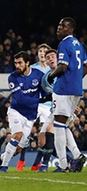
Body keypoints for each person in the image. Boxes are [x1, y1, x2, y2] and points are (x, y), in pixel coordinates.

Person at [47, 17, 87, 172]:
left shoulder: (64, 44)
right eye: (58, 25)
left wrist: (51, 76)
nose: (59, 28)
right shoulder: (79, 45)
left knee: (58, 125)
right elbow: (86, 66)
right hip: (76, 89)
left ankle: (63, 164)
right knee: (62, 124)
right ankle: (77, 156)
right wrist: (76, 79)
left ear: (71, 29)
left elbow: (62, 67)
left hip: (63, 89)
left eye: (63, 26)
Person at [0, 51, 45, 172]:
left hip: (31, 116)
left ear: (27, 63)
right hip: (16, 111)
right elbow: (20, 99)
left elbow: (45, 92)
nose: (17, 66)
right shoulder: (13, 77)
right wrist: (40, 100)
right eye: (15, 63)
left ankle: (2, 158)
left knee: (18, 149)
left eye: (20, 63)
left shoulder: (38, 75)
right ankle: (4, 166)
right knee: (17, 135)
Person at [17, 43, 52, 171]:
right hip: (35, 103)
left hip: (49, 106)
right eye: (40, 51)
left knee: (43, 136)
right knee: (25, 129)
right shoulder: (32, 68)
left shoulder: (53, 68)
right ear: (37, 55)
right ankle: (21, 160)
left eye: (45, 51)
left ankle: (37, 162)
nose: (42, 53)